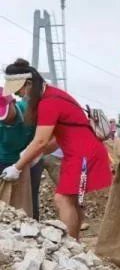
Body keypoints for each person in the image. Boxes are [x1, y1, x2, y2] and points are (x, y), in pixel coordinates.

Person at [1, 59, 112, 240]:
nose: (19, 96)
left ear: (29, 84)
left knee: (63, 199)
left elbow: (40, 140)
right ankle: (75, 244)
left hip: (83, 155)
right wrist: (37, 155)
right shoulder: (54, 94)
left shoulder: (48, 102)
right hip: (80, 152)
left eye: (19, 90)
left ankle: (69, 246)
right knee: (72, 200)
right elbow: (61, 136)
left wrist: (17, 166)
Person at [0, 88, 45, 220]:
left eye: (6, 115)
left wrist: (34, 154)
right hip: (3, 160)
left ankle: (32, 226)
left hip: (30, 158)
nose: (4, 120)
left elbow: (45, 136)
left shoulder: (30, 111)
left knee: (30, 196)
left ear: (13, 102)